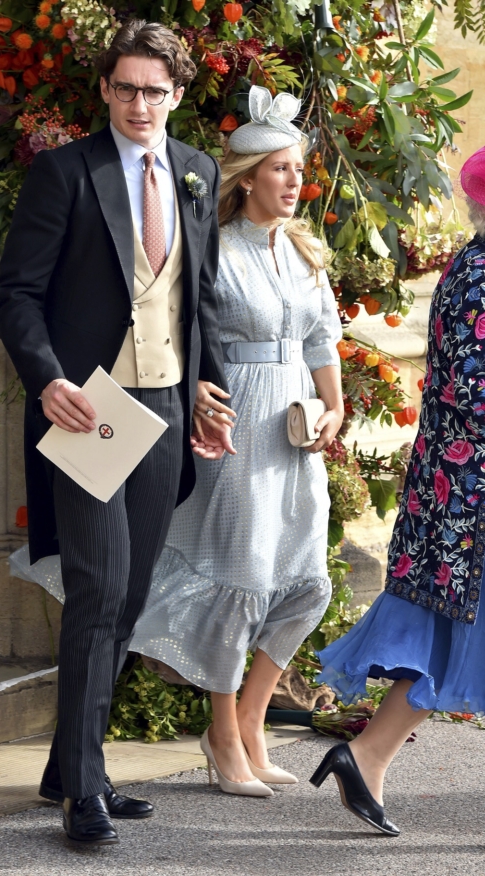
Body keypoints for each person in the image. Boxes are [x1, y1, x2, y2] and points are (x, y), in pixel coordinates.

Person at [0, 20, 232, 848]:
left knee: (129, 596)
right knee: (97, 590)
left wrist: (210, 393)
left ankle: (70, 765)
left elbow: (197, 300)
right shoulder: (66, 171)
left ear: (176, 94)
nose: (139, 104)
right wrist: (48, 376)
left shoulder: (198, 172)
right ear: (104, 90)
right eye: (125, 88)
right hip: (90, 406)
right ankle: (82, 794)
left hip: (165, 407)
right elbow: (17, 293)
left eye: (154, 90)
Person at [130, 86, 344, 796]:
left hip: (297, 424)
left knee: (304, 579)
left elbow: (320, 339)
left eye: (296, 169)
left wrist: (334, 408)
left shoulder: (306, 254)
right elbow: (174, 330)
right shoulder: (213, 249)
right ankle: (222, 735)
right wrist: (192, 392)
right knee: (242, 577)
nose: (292, 182)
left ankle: (252, 719)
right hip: (235, 420)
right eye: (278, 169)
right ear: (246, 176)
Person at [310, 145, 485, 838]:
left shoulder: (467, 268)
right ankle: (366, 754)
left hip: (457, 494)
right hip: (467, 496)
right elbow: (471, 389)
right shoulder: (477, 275)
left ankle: (367, 756)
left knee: (449, 640)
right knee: (450, 637)